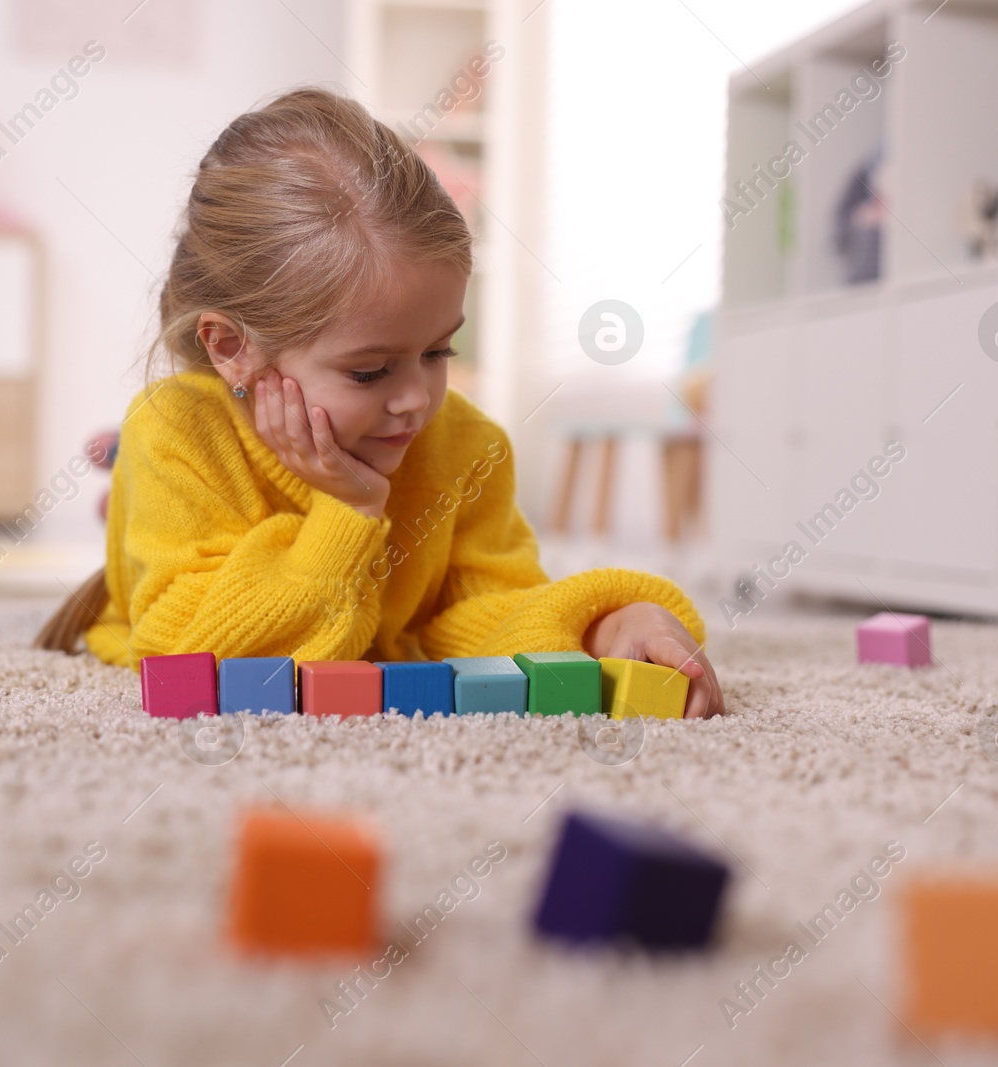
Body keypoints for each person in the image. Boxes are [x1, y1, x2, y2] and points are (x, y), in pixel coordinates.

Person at [35, 88, 724, 718]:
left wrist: (607, 623)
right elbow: (192, 657)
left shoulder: (467, 446)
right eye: (369, 371)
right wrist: (348, 510)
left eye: (438, 352)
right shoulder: (175, 426)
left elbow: (472, 618)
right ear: (232, 348)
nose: (417, 401)